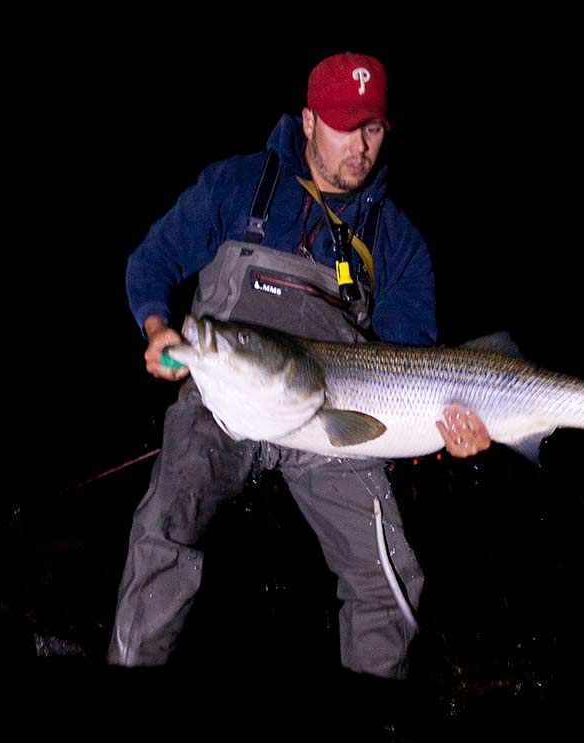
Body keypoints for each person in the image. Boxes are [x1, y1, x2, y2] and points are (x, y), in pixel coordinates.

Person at [109, 52, 490, 687]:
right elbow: (151, 261)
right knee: (162, 528)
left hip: (331, 419)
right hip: (224, 403)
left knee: (388, 579)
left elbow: (410, 364)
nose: (360, 147)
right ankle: (124, 692)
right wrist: (156, 326)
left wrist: (450, 429)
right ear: (309, 121)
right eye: (344, 126)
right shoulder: (240, 184)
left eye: (372, 128)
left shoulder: (396, 242)